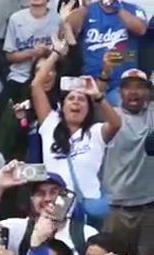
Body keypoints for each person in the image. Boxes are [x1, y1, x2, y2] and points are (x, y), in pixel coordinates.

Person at [31, 63, 121, 221]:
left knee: (88, 237)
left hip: (88, 206)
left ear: (88, 109)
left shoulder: (96, 132)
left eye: (82, 100)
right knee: (54, 236)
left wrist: (97, 96)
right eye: (71, 98)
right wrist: (56, 54)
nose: (76, 102)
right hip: (56, 205)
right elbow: (36, 85)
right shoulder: (50, 124)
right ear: (62, 106)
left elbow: (116, 124)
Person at [64, 0, 147, 99]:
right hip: (90, 82)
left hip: (122, 84)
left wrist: (117, 7)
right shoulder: (88, 10)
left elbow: (141, 29)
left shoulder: (133, 9)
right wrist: (84, 6)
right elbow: (68, 28)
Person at [102, 69, 154, 255]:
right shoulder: (110, 117)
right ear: (119, 92)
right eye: (128, 87)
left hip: (150, 209)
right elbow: (94, 99)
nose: (134, 92)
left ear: (148, 92)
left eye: (139, 87)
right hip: (116, 209)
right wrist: (105, 73)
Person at [3, 0, 60, 103]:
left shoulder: (57, 19)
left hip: (46, 78)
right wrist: (33, 53)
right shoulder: (16, 18)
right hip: (19, 77)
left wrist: (48, 52)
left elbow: (63, 56)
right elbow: (10, 56)